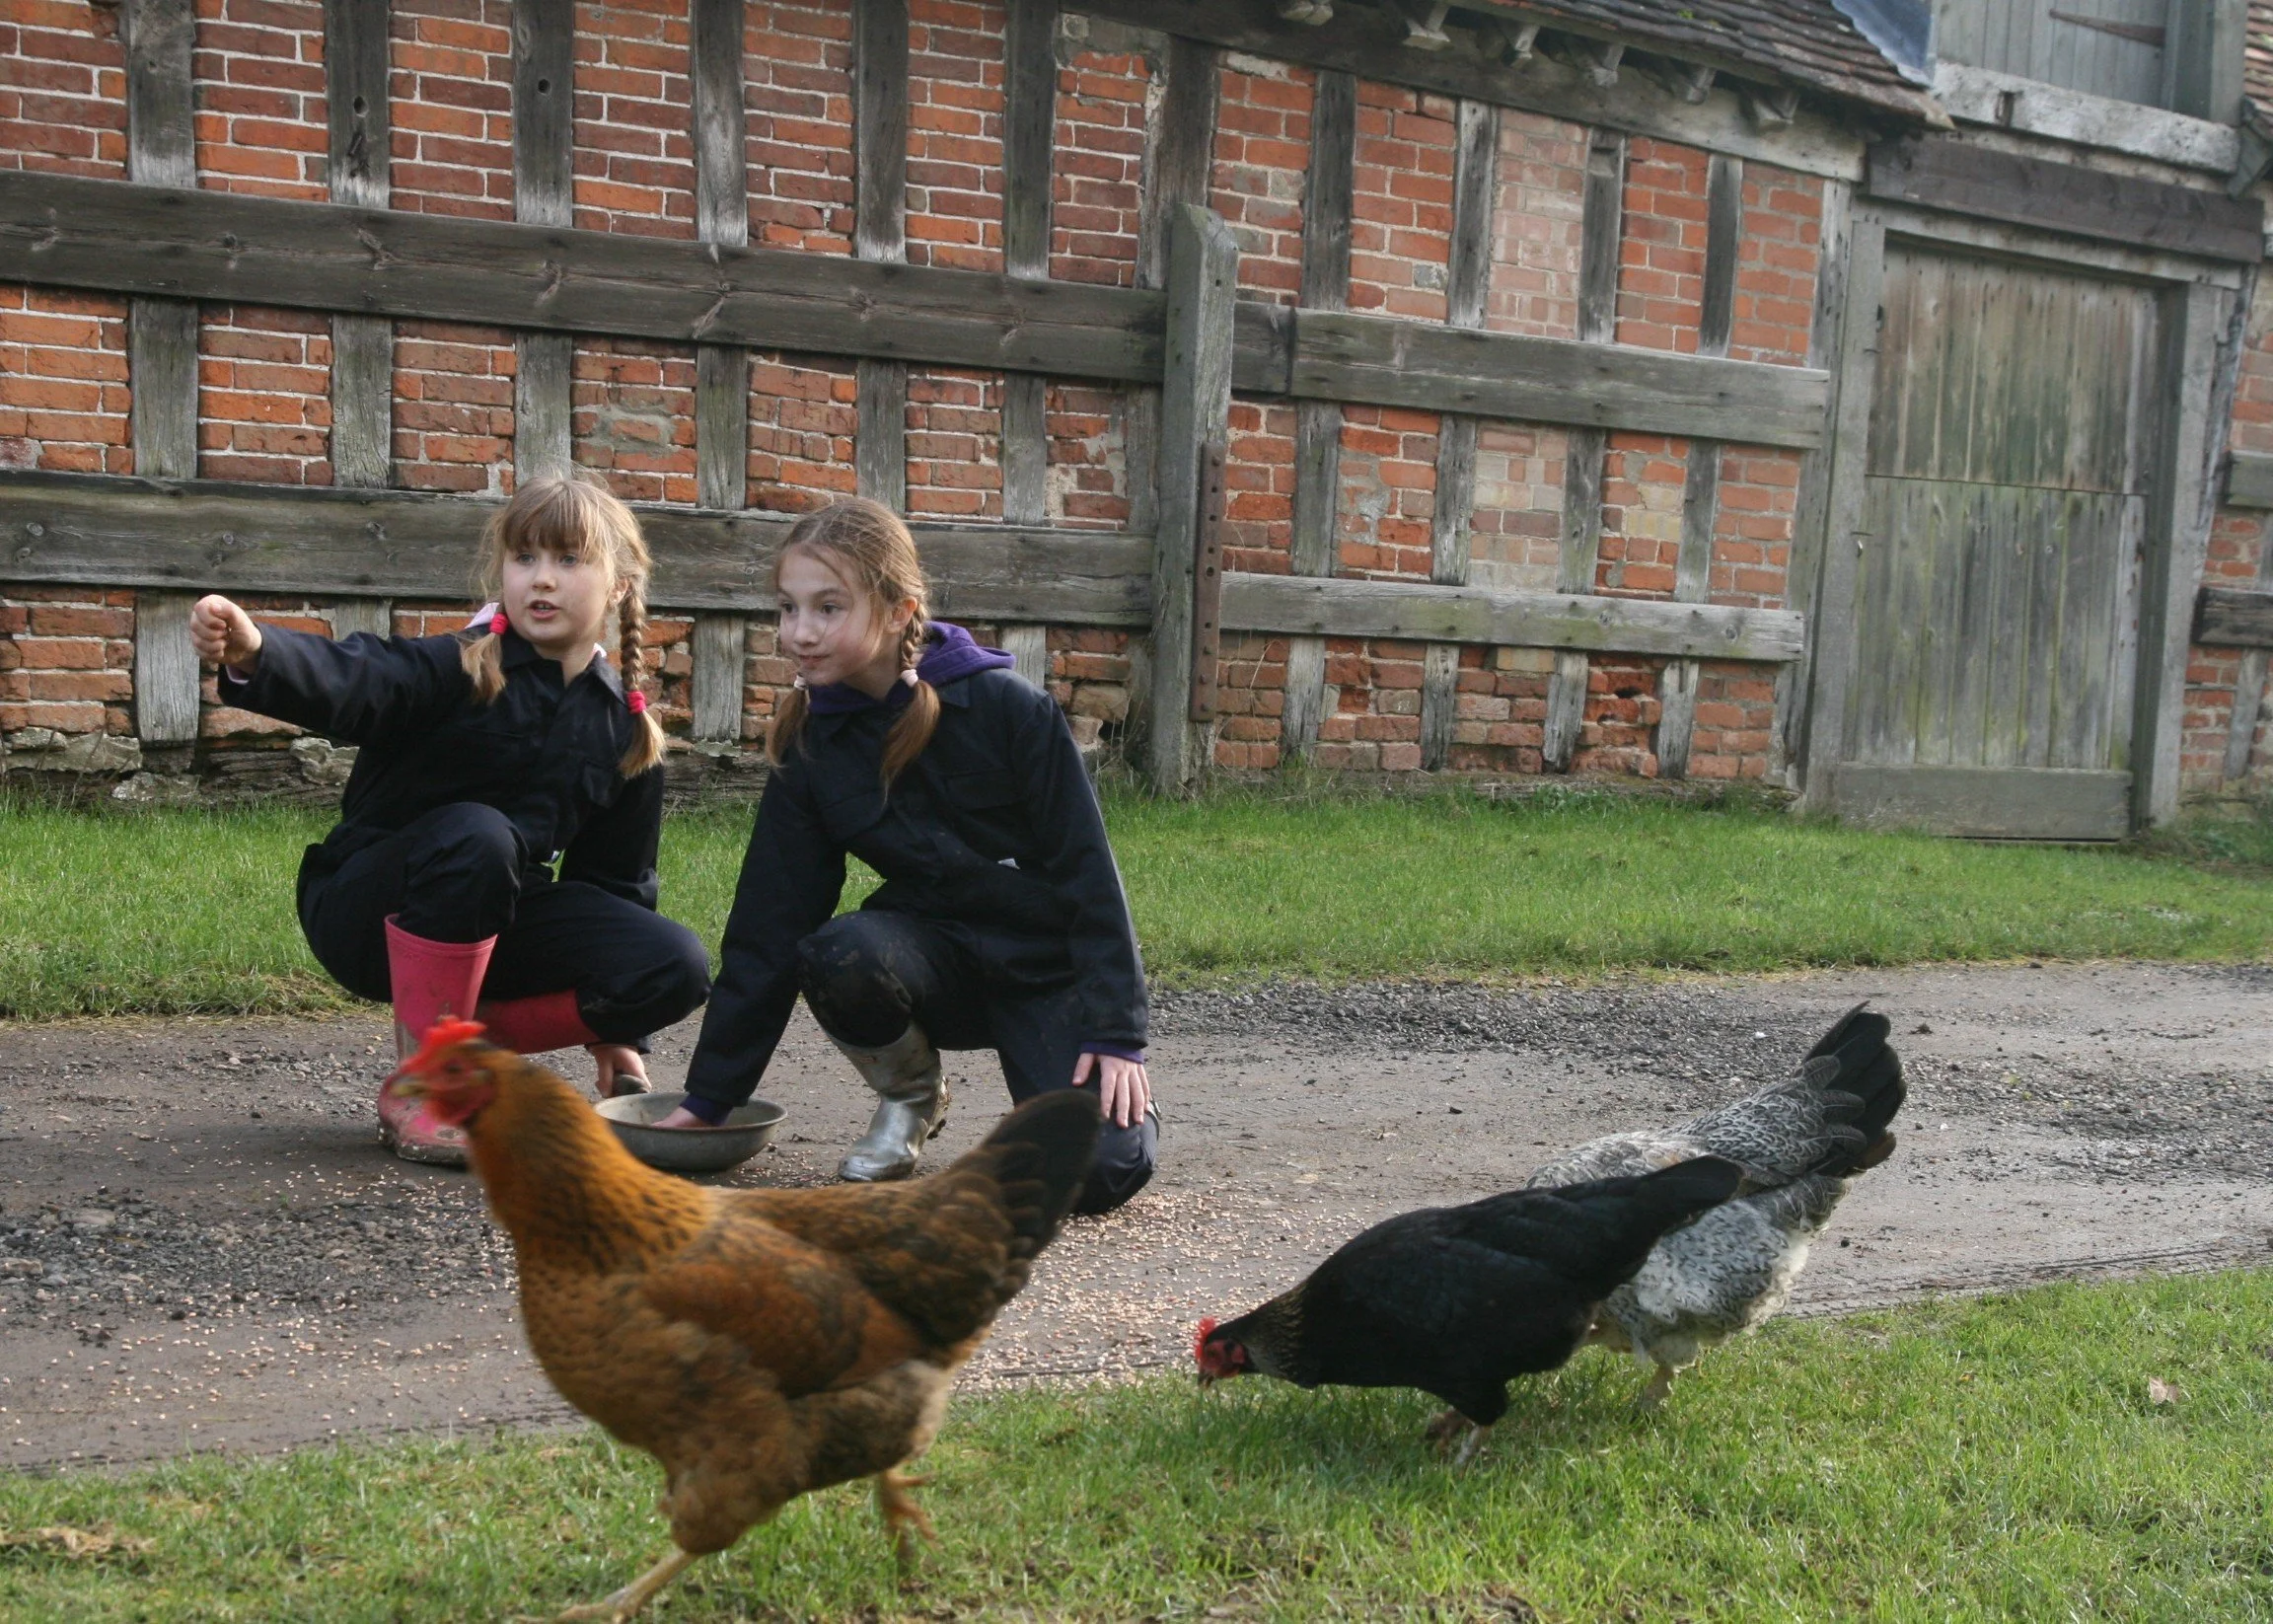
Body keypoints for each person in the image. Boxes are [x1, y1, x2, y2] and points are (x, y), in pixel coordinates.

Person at [187, 475, 712, 1165]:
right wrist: (259, 651)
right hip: (370, 906)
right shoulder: (456, 664)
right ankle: (426, 1086)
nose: (541, 580)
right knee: (480, 834)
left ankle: (461, 1040)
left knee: (673, 964)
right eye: (524, 559)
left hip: (495, 922)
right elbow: (361, 678)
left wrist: (616, 1034)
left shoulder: (626, 727)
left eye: (569, 560)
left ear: (619, 586)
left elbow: (613, 885)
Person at [665, 497, 1155, 1215]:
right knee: (837, 951)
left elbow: (1090, 874)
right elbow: (769, 924)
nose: (799, 632)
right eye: (788, 608)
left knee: (1097, 1176)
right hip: (934, 964)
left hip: (1049, 970)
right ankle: (912, 1097)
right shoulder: (812, 746)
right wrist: (711, 1100)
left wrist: (1117, 1033)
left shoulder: (1008, 711)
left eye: (827, 607)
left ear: (900, 610)